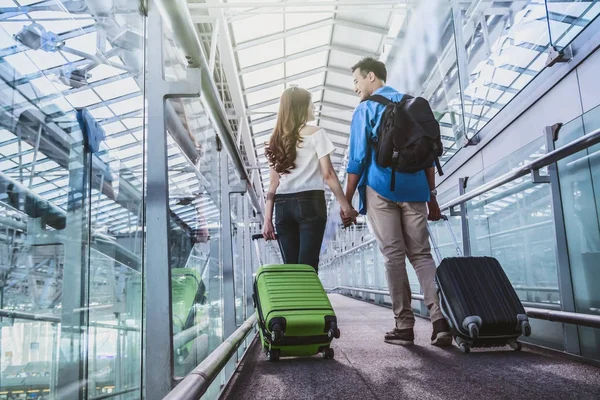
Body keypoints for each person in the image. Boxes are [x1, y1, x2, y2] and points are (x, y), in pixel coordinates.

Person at [341, 57, 452, 346]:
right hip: (416, 188)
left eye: (356, 80)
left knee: (393, 255)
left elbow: (357, 160)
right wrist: (432, 196)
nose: (355, 88)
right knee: (422, 255)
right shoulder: (412, 104)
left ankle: (404, 325)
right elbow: (429, 155)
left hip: (380, 189)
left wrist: (348, 201)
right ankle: (439, 318)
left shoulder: (366, 109)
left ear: (372, 77)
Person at [262, 86, 358, 272]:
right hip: (310, 202)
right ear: (300, 107)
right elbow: (328, 174)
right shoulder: (316, 133)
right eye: (310, 103)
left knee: (291, 269)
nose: (313, 107)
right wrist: (346, 207)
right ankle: (309, 301)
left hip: (282, 207)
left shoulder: (275, 140)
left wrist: (267, 220)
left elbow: (273, 185)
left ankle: (296, 301)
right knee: (308, 267)